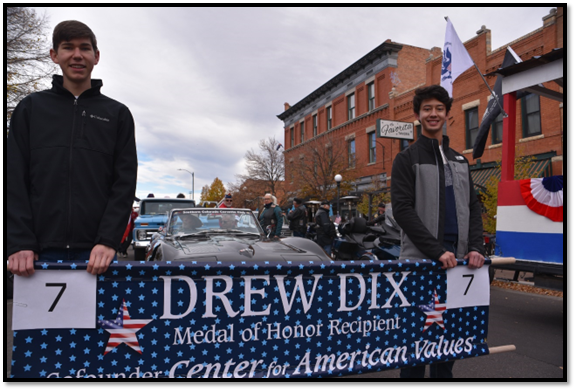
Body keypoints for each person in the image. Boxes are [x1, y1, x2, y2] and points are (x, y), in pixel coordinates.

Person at [7, 20, 137, 277]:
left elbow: (123, 184)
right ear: (54, 55)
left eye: (85, 48)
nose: (77, 55)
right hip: (36, 255)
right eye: (68, 47)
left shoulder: (118, 114)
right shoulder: (30, 109)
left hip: (98, 255)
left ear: (96, 56)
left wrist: (108, 239)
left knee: (102, 320)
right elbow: (13, 179)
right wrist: (19, 241)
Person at [391, 85, 485, 378]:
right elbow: (403, 211)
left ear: (447, 114)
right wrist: (436, 251)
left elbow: (472, 206)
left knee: (447, 349)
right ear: (418, 115)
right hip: (420, 264)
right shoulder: (406, 159)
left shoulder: (460, 160)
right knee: (415, 350)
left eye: (439, 109)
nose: (433, 114)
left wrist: (476, 248)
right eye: (427, 109)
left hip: (457, 266)